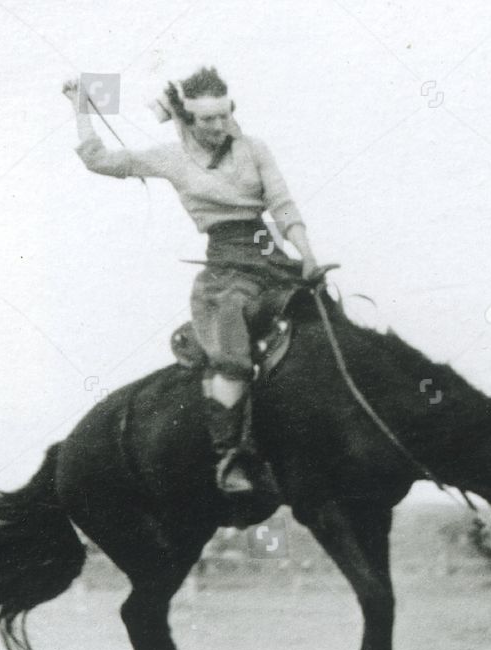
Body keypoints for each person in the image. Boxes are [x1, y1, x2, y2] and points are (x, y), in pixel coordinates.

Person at [64, 66, 319, 494]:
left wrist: (307, 254)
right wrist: (80, 108)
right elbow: (98, 160)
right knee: (234, 358)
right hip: (225, 272)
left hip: (274, 260)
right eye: (208, 119)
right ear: (187, 117)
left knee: (324, 323)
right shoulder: (170, 157)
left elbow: (282, 203)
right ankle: (231, 456)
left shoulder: (254, 149)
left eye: (225, 115)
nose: (219, 126)